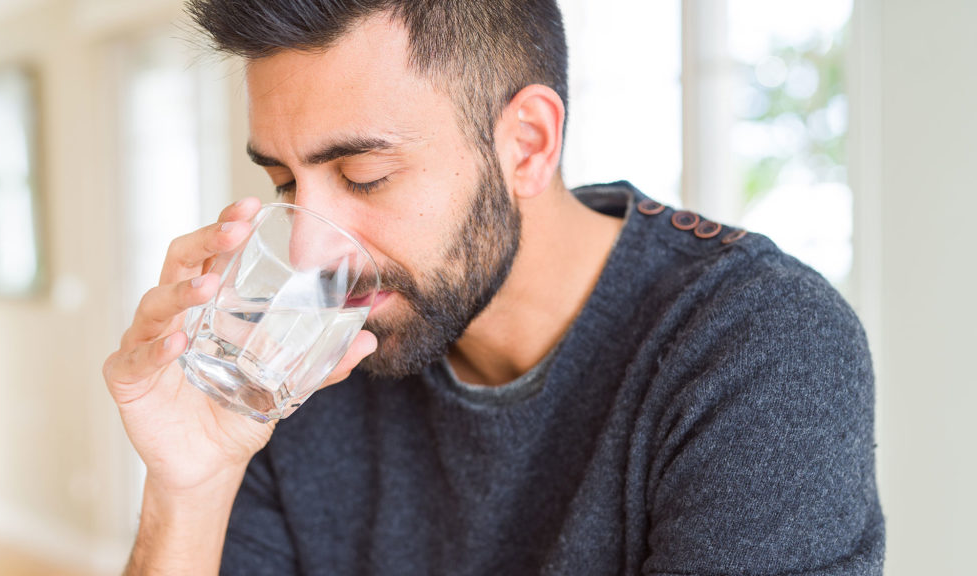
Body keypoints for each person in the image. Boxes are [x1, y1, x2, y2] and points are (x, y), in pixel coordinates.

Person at [102, 0, 885, 574]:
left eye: (364, 177)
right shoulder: (299, 353)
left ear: (527, 144)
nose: (308, 249)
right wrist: (190, 487)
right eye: (283, 182)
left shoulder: (755, 344)